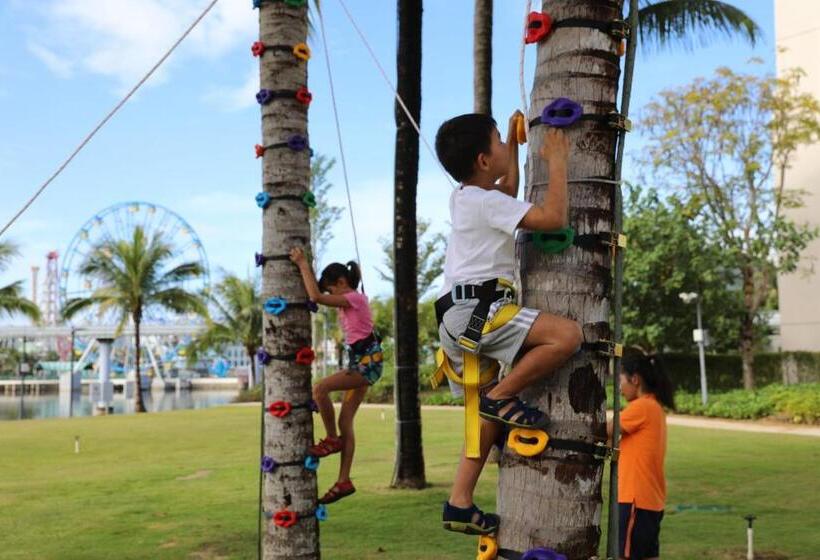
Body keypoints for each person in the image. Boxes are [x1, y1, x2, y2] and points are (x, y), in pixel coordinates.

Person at [433, 112, 583, 535]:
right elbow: (552, 218)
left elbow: (508, 193)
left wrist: (513, 149)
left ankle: (459, 501)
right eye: (498, 140)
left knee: (482, 421)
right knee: (566, 336)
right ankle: (502, 394)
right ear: (483, 160)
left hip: (455, 319)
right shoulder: (485, 201)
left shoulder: (466, 198)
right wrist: (556, 160)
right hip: (479, 310)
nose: (503, 144)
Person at [290, 247, 383, 504]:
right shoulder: (352, 300)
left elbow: (316, 297)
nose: (331, 294)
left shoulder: (353, 298)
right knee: (346, 423)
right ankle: (344, 480)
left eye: (332, 288)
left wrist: (302, 264)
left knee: (320, 389)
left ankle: (332, 440)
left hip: (365, 365)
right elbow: (320, 296)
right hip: (364, 363)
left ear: (341, 283)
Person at [607, 350, 676, 560]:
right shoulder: (653, 407)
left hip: (634, 500)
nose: (618, 388)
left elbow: (605, 430)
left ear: (634, 379)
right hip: (649, 502)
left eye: (620, 380)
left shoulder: (642, 407)